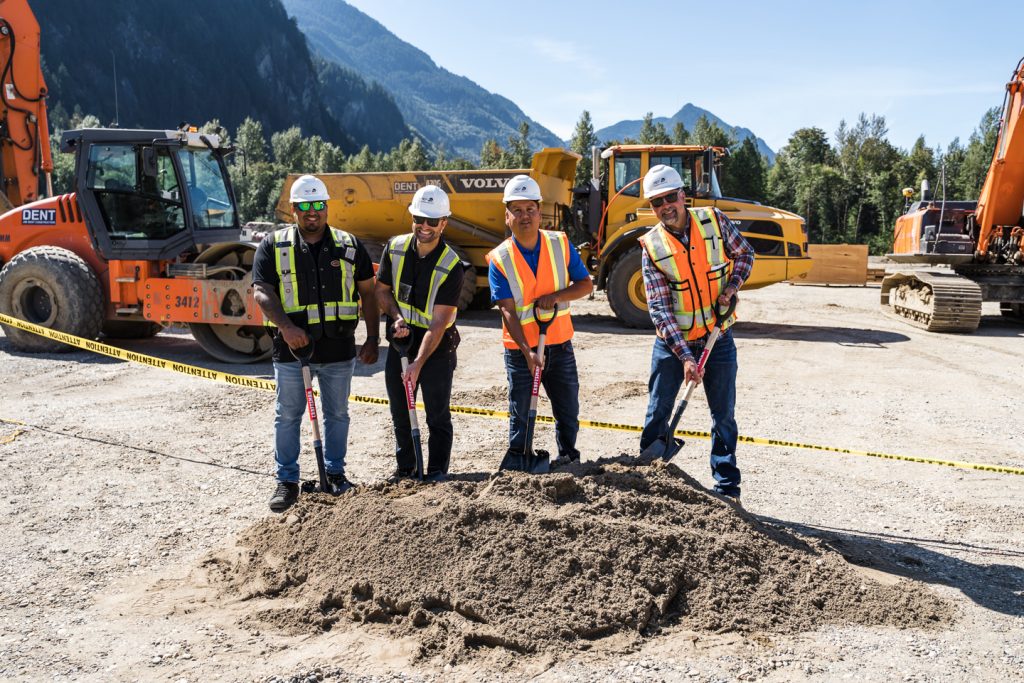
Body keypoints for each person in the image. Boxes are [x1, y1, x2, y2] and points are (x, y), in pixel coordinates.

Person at [252, 175, 379, 512]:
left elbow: (368, 293)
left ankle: (336, 475)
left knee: (338, 414)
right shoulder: (273, 245)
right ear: (293, 209)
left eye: (318, 205)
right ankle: (287, 481)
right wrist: (287, 327)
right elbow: (261, 291)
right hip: (292, 352)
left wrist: (373, 338)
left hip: (338, 349)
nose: (312, 212)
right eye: (305, 206)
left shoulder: (349, 246)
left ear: (326, 207)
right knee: (288, 415)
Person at [637, 164, 755, 503]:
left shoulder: (714, 222)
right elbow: (659, 309)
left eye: (670, 197)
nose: (665, 207)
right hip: (673, 345)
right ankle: (648, 482)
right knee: (659, 409)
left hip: (718, 338)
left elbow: (745, 254)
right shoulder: (652, 246)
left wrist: (732, 287)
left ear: (683, 196)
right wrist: (686, 357)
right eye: (657, 202)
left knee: (723, 415)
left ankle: (727, 488)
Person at [487, 174, 593, 468]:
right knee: (522, 411)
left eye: (530, 209)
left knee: (567, 409)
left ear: (539, 211)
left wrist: (557, 295)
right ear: (507, 215)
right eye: (517, 211)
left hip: (559, 345)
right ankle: (520, 460)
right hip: (520, 352)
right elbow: (508, 310)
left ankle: (568, 456)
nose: (525, 217)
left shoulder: (560, 244)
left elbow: (585, 284)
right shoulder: (499, 259)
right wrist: (527, 352)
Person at [375, 185, 464, 483]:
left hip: (436, 348)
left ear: (444, 223)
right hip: (401, 343)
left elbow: (438, 324)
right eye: (419, 219)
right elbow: (382, 292)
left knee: (437, 415)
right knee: (400, 412)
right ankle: (406, 470)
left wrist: (418, 364)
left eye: (432, 220)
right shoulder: (396, 247)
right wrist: (397, 317)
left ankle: (437, 472)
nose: (424, 226)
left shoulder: (452, 265)